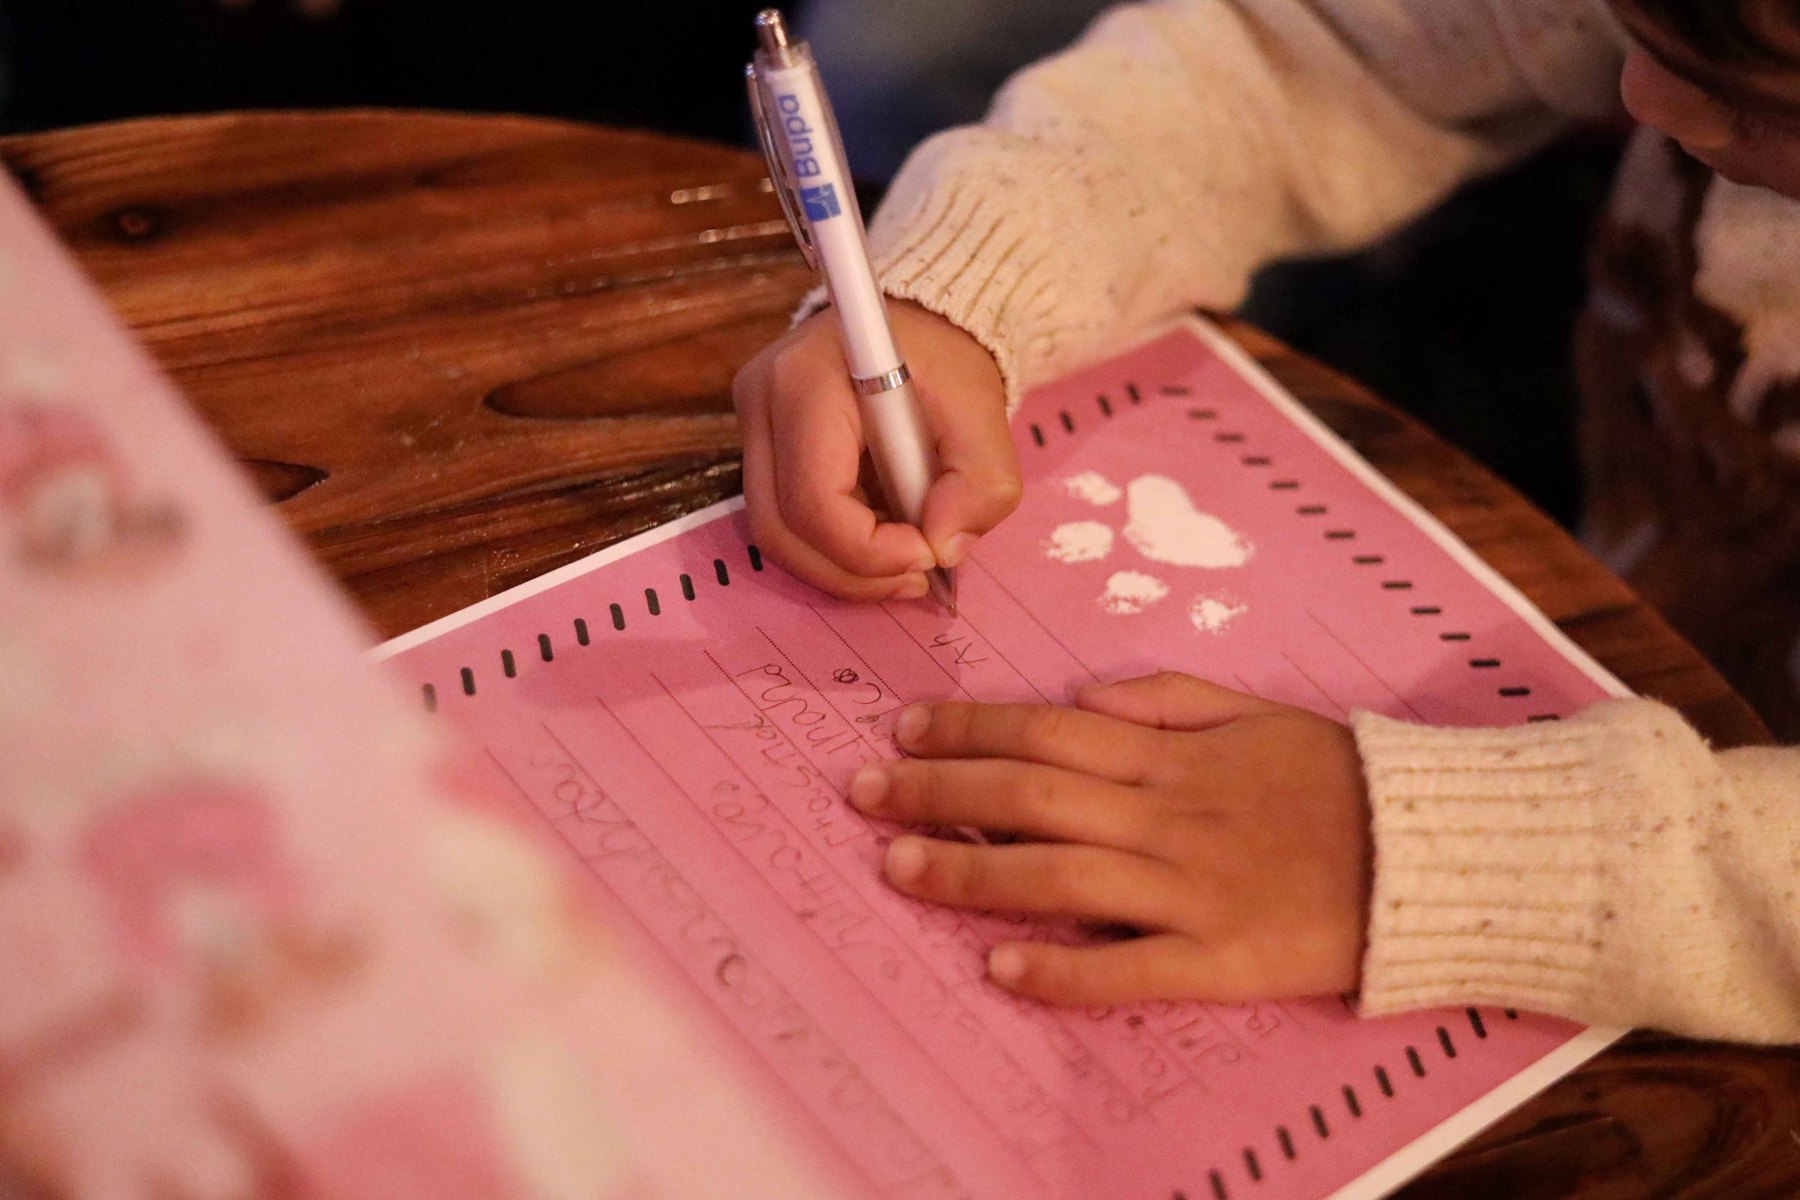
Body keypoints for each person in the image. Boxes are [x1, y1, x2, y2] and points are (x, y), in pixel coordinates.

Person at [731, 0, 1800, 1043]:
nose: (1643, 99)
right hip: (1625, 579)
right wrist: (963, 283)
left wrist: (1464, 861)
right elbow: (1317, 48)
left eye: (1762, 100)